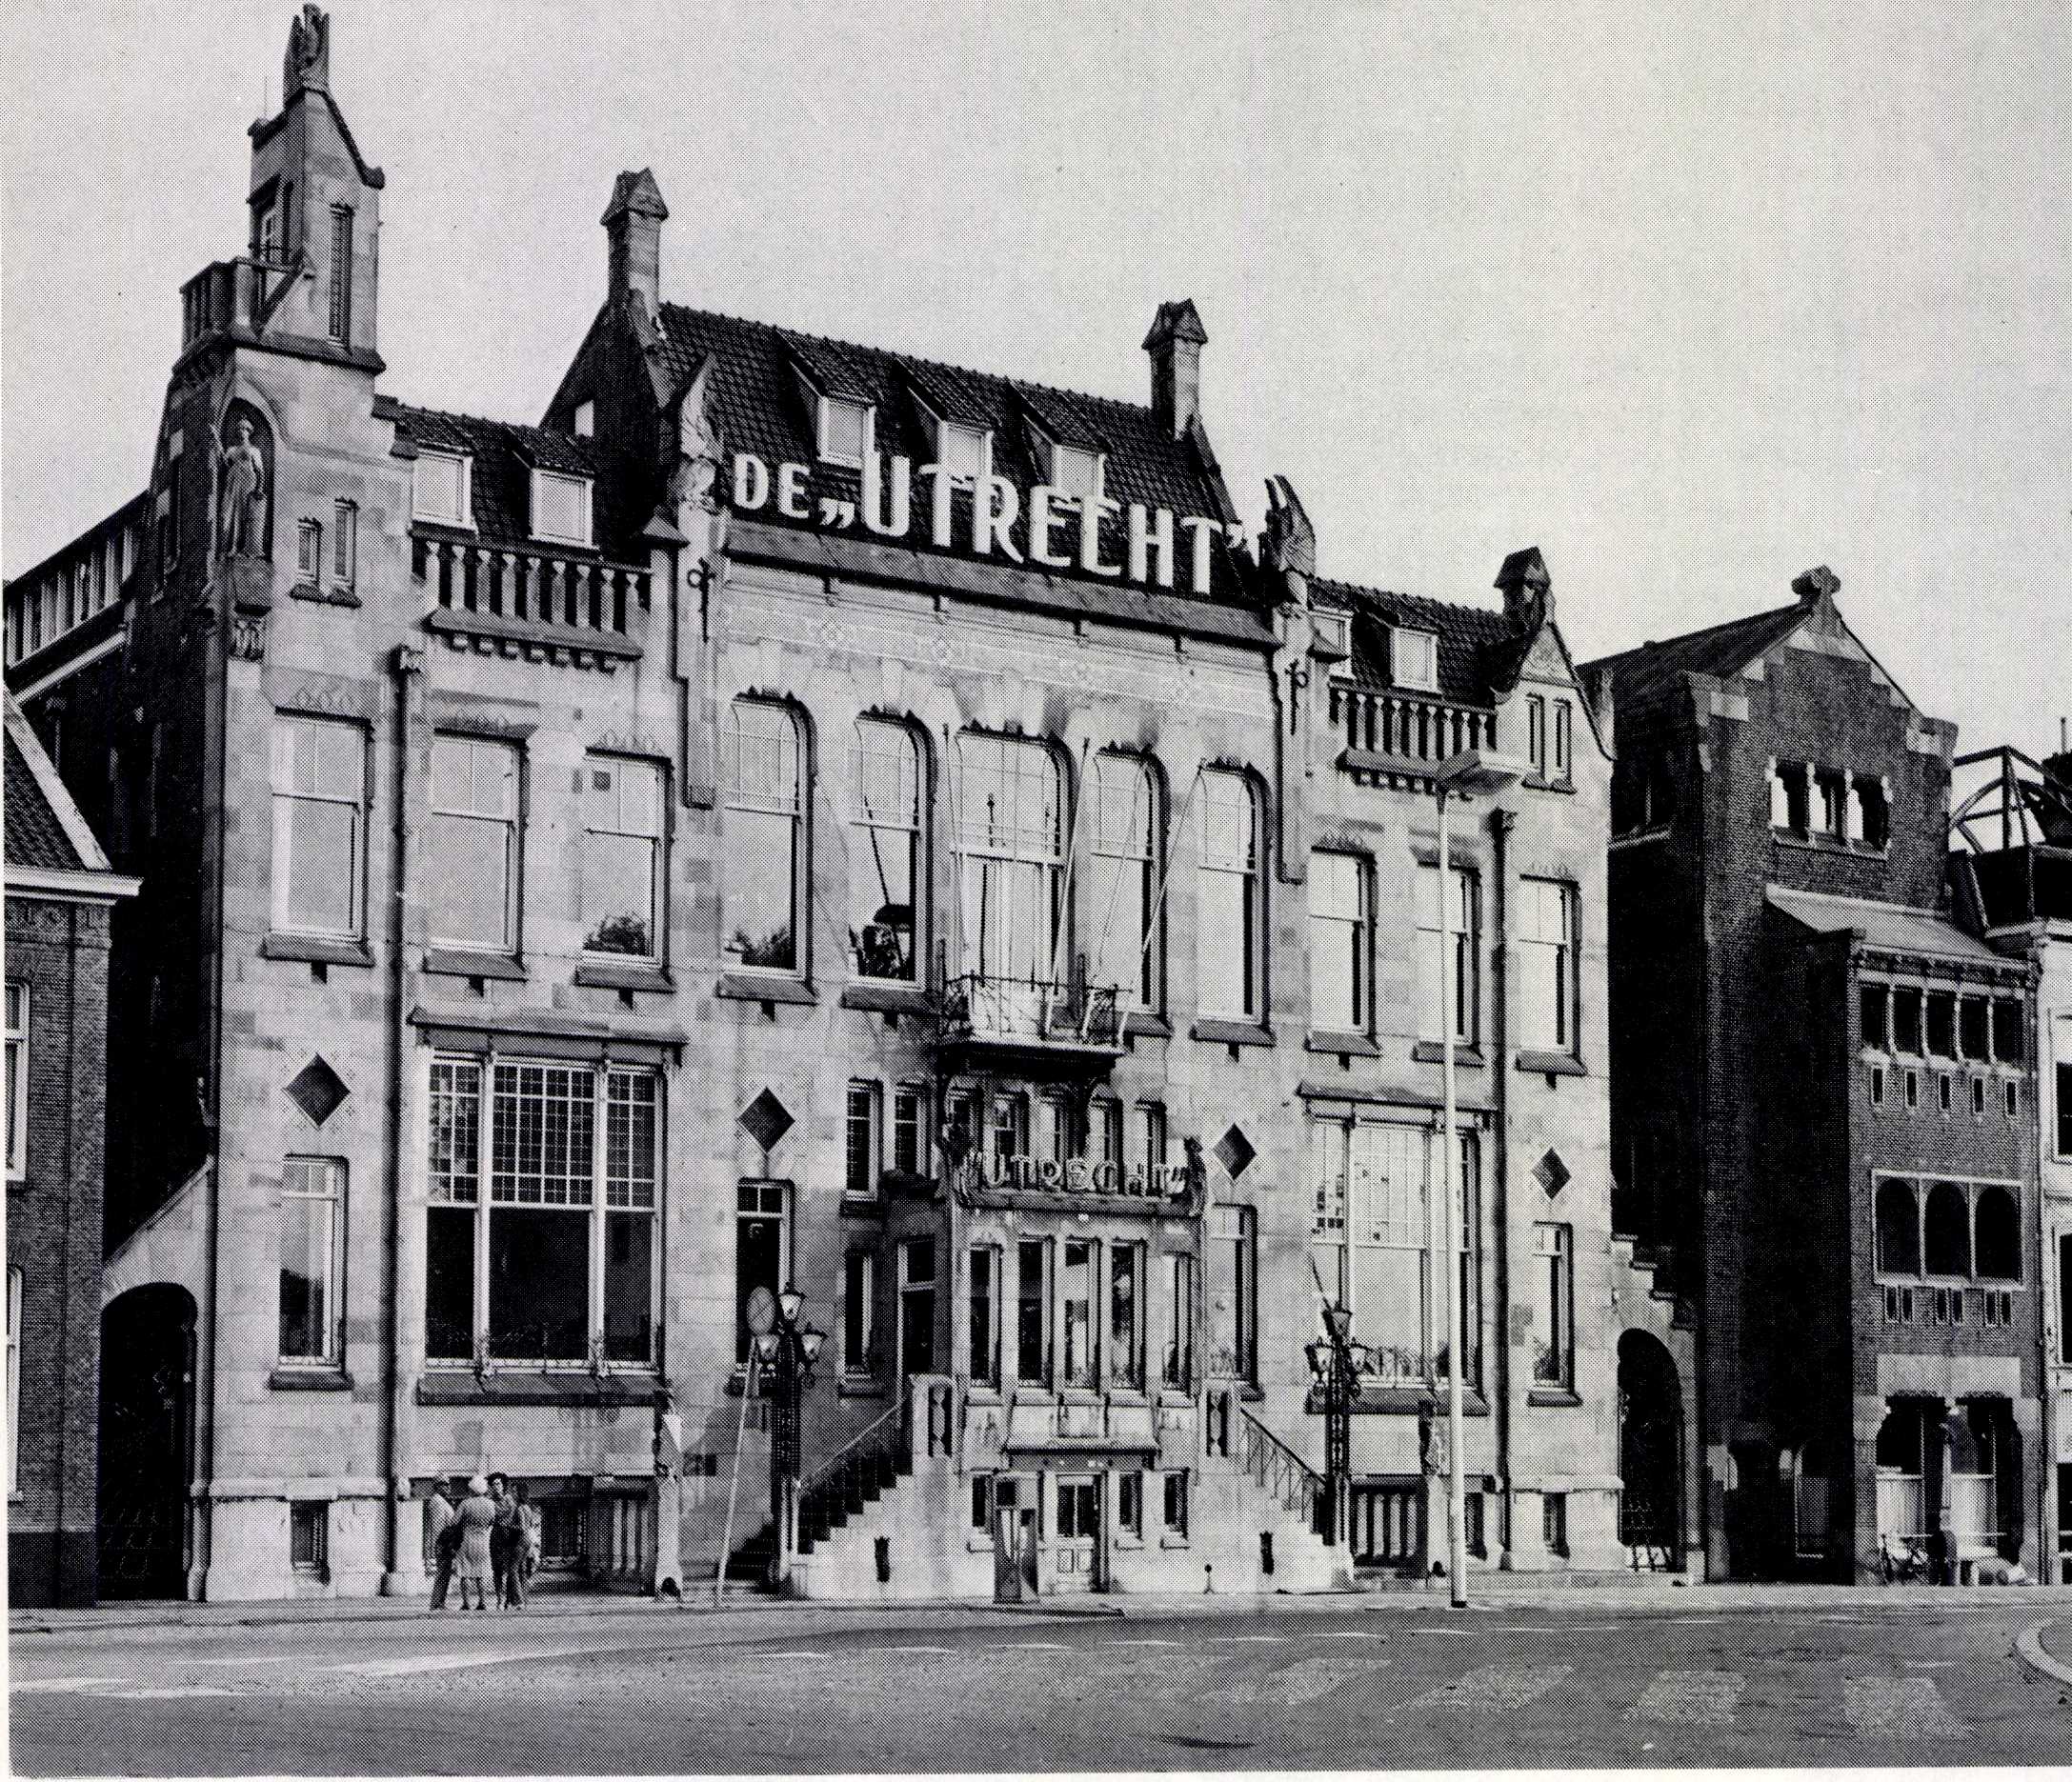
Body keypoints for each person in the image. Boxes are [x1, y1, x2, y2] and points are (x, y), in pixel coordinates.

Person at [453, 1474, 497, 1612]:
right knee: (481, 1573)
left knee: (465, 1573)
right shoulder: (491, 1504)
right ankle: (482, 1602)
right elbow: (494, 1521)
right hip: (484, 1542)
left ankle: (466, 1603)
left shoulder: (466, 1503)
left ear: (471, 1489)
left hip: (467, 1541)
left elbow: (454, 1522)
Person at [491, 1473, 524, 1611]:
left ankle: (512, 1599)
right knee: (497, 1570)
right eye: (493, 1484)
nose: (496, 1487)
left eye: (498, 1484)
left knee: (511, 1571)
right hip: (496, 1538)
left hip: (510, 1539)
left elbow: (512, 1515)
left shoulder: (509, 1500)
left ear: (503, 1485)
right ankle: (500, 1598)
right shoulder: (490, 1501)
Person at [425, 1477, 458, 1612]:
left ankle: (440, 1601)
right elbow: (439, 1527)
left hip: (445, 1542)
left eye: (448, 1485)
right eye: (445, 1485)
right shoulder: (438, 1502)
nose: (448, 1487)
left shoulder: (441, 1501)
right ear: (438, 1487)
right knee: (442, 1573)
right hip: (443, 1543)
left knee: (445, 1573)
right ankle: (436, 1602)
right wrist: (444, 1545)